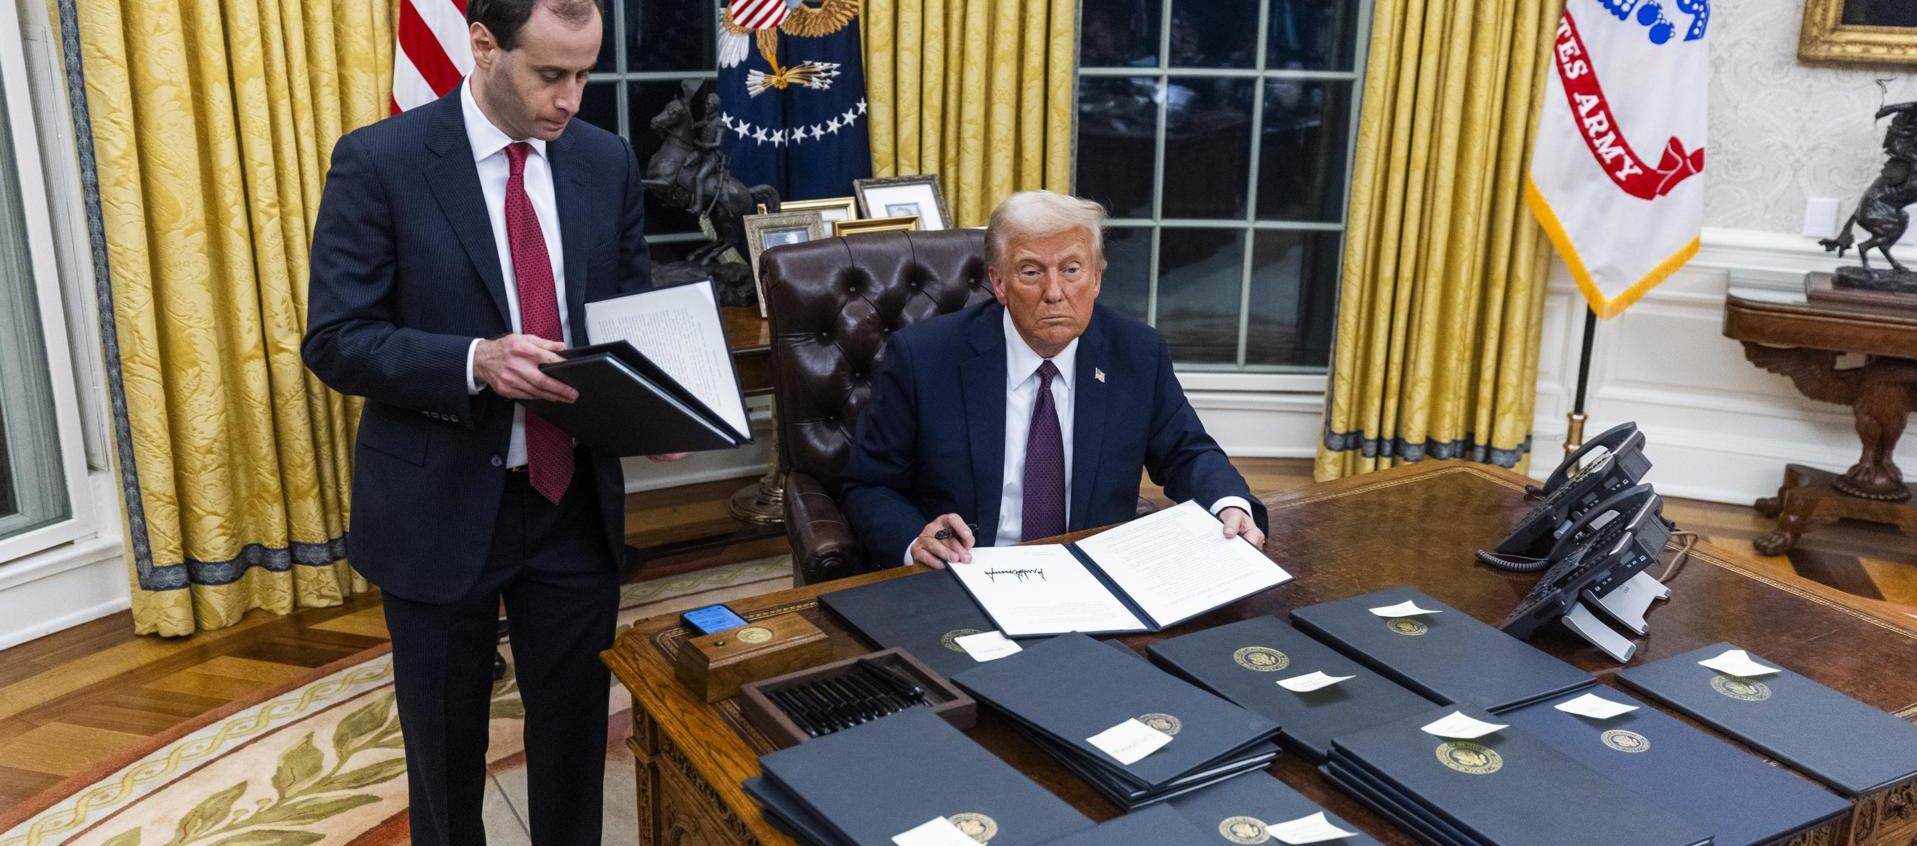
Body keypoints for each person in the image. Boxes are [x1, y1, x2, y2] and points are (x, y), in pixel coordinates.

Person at [302, 1, 676, 843]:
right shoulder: (381, 161)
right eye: (550, 74)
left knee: (574, 739)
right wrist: (475, 360)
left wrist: (658, 403)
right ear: (482, 46)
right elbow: (336, 340)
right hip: (435, 504)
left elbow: (627, 312)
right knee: (444, 753)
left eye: (584, 74)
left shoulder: (605, 159)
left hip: (571, 498)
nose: (571, 98)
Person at [840, 190, 1268, 569]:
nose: (1054, 292)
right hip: (967, 572)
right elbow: (869, 485)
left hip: (1094, 575)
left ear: (1096, 279)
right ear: (999, 283)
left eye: (1071, 269)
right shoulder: (924, 357)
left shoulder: (1137, 353)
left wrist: (1229, 505)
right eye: (1031, 271)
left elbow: (1187, 453)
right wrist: (915, 541)